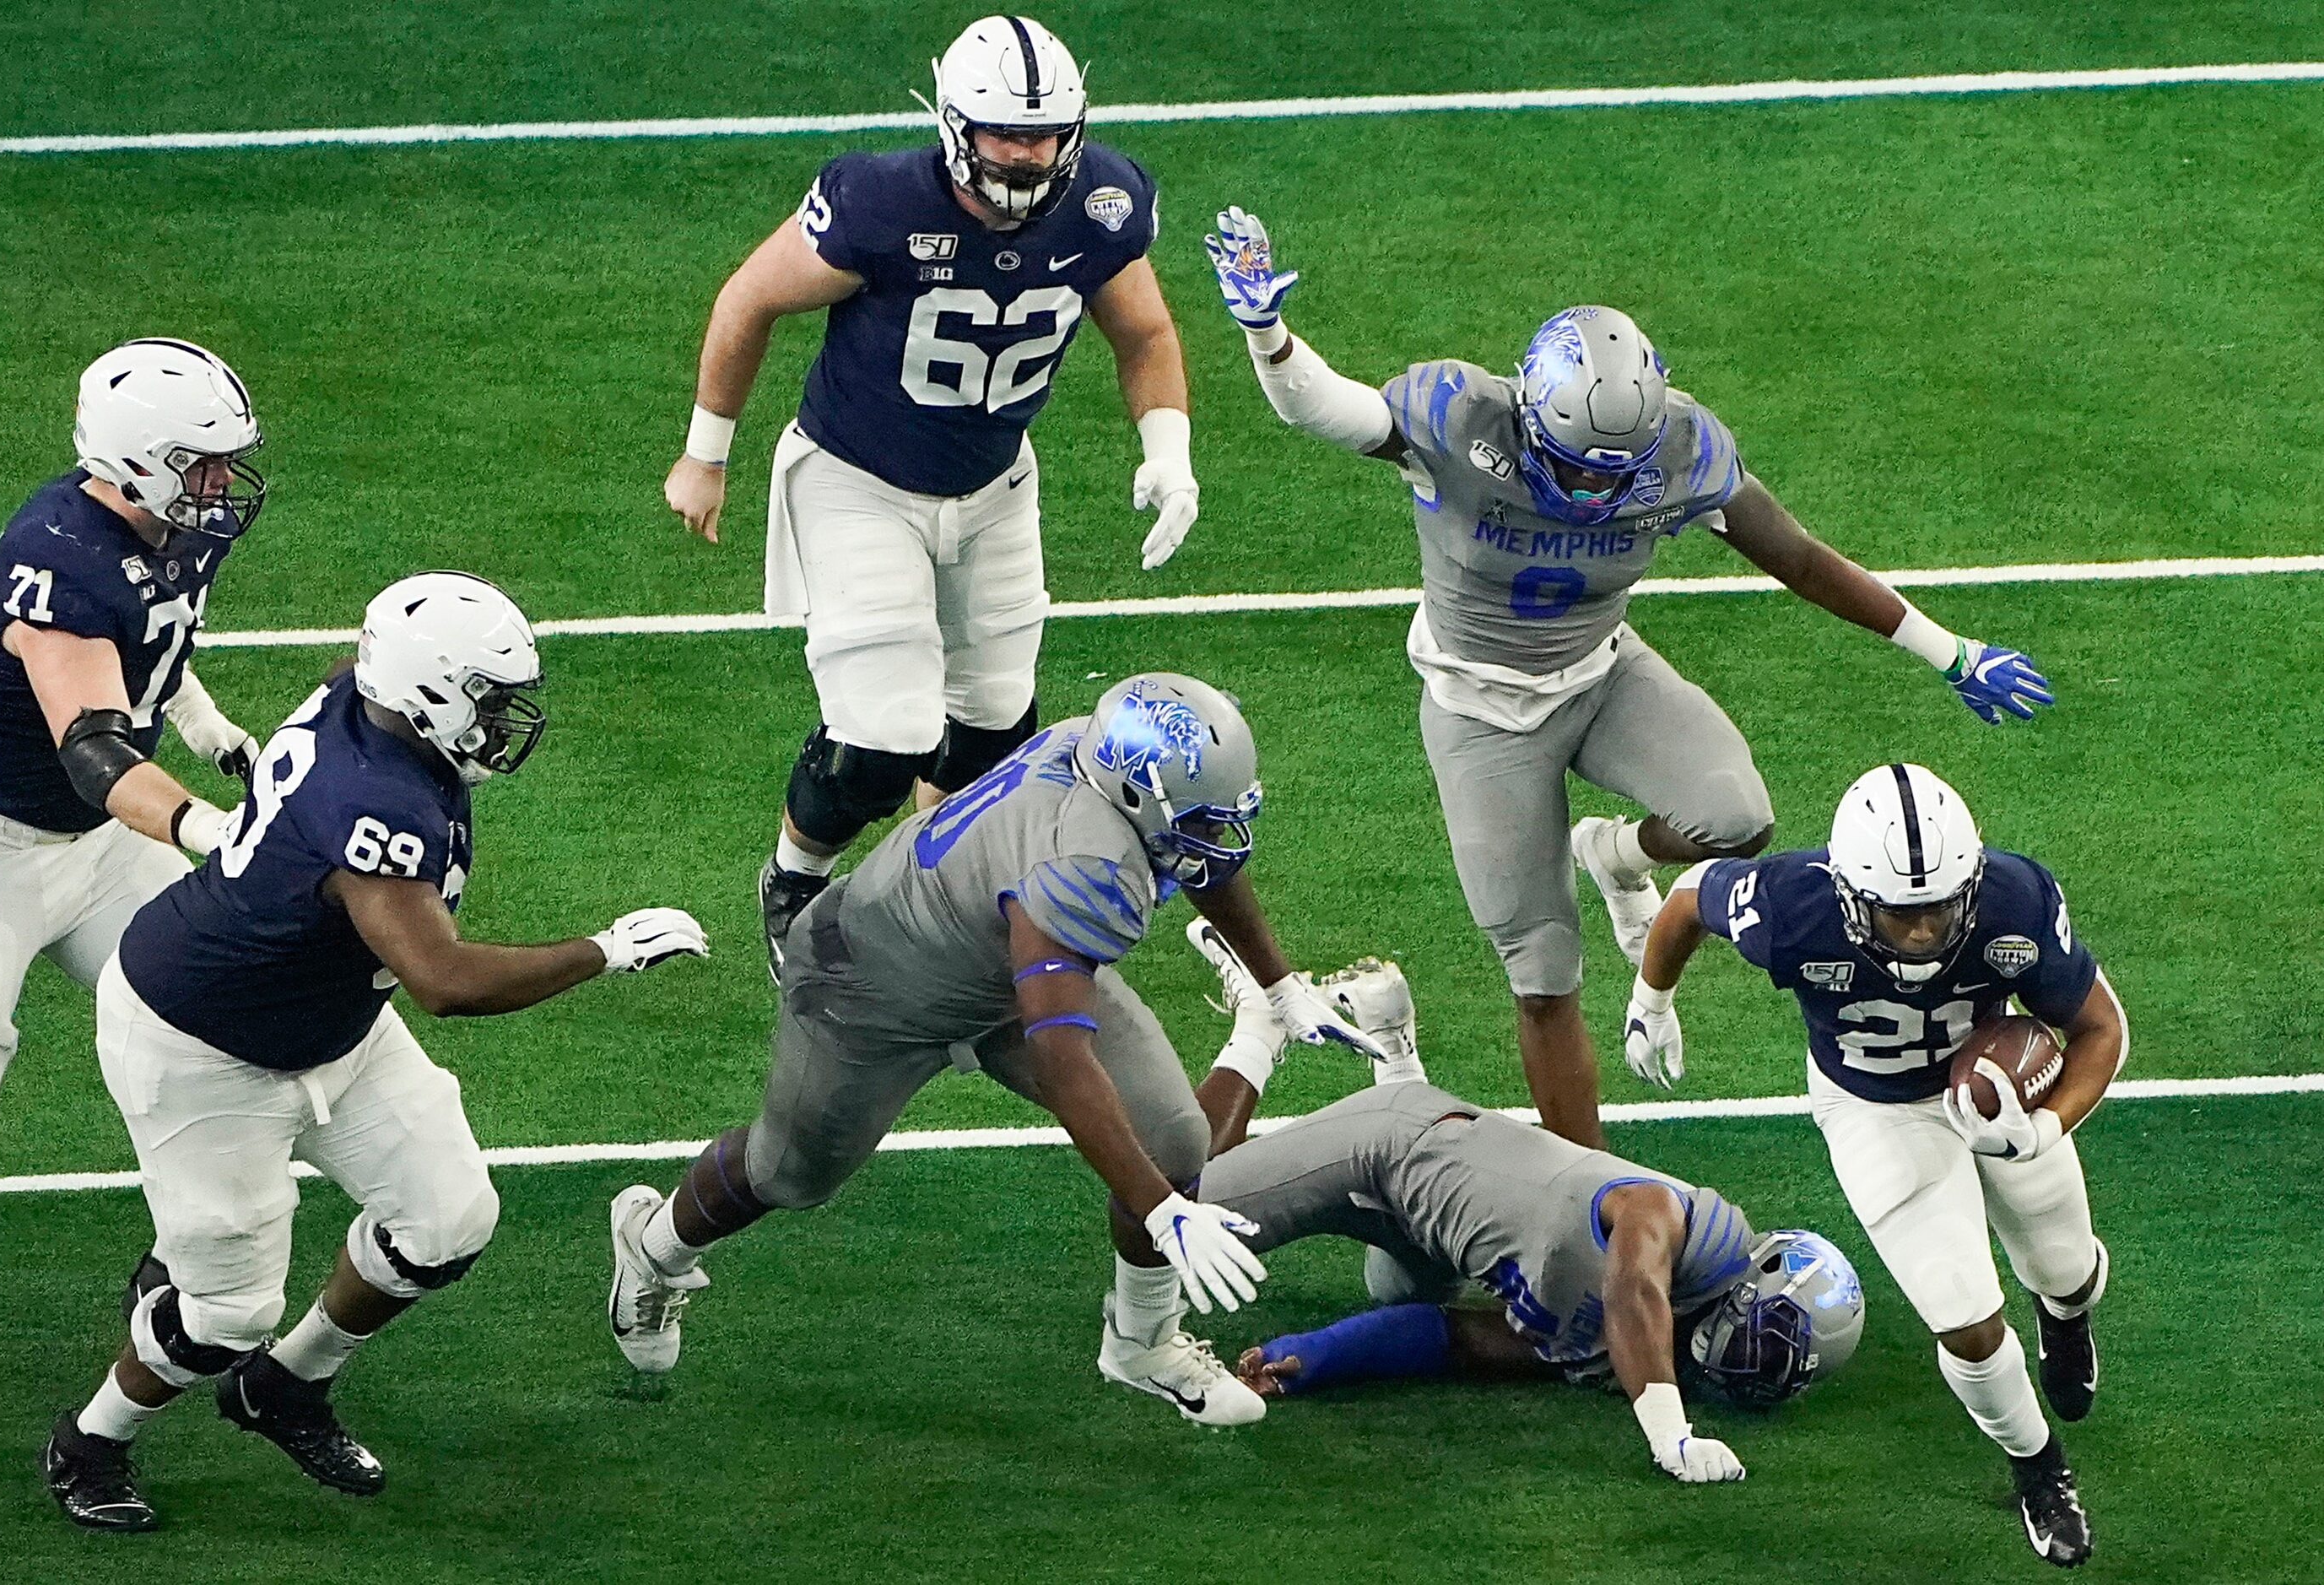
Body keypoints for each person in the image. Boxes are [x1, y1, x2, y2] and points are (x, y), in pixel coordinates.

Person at [1203, 206, 2053, 1150]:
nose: (1598, 494)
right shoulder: (1457, 418)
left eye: (1619, 475)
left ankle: (1618, 857)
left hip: (1603, 674)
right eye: (1578, 471)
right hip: (1479, 709)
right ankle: (1586, 1183)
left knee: (1736, 817)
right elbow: (1324, 407)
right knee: (1542, 972)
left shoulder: (1680, 446)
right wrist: (1266, 335)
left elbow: (1799, 559)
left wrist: (1947, 650)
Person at [40, 572, 707, 1532]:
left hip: (331, 1019)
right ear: (429, 690)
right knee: (226, 1316)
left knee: (448, 1222)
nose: (499, 724)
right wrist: (606, 949)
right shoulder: (376, 803)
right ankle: (89, 1441)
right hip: (203, 1044)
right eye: (486, 699)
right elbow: (444, 979)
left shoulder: (359, 689)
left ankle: (286, 1387)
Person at [607, 673, 1384, 1428]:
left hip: (995, 950)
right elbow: (1060, 1054)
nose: (1219, 835)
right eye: (1204, 817)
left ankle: (1141, 1344)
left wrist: (1277, 985)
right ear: (1140, 796)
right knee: (788, 1174)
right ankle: (653, 1245)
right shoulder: (1084, 863)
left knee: (1171, 1136)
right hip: (871, 982)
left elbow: (1202, 859)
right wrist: (1161, 1212)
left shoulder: (1101, 755)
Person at [660, 15, 1202, 979]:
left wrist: (1169, 451)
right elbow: (747, 298)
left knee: (997, 736)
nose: (1029, 155)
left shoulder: (1103, 202)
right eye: (1007, 133)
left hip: (995, 485)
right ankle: (794, 880)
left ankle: (938, 899)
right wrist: (706, 455)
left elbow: (1146, 333)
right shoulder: (875, 201)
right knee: (883, 737)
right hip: (857, 479)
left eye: (1044, 134)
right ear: (955, 125)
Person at [1626, 763, 2124, 1566]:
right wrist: (1650, 1000)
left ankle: (2065, 1318)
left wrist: (2040, 1129)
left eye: (1938, 908)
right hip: (1873, 1106)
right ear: (1851, 895)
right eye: (1901, 913)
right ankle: (2038, 1467)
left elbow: (2101, 1029)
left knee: (2062, 1265)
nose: (1924, 930)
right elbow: (1689, 900)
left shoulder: (2016, 899)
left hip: (1995, 1093)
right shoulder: (1791, 904)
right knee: (1962, 1317)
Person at [1185, 927, 1862, 1483]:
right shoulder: (1694, 1231)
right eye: (1770, 1339)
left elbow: (1459, 1342)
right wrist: (1669, 1435)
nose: (1757, 1364)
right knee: (1169, 1215)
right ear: (1754, 1283)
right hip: (1388, 1142)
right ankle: (1262, 1022)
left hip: (1426, 1224)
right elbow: (1630, 1285)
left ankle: (1394, 1053)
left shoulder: (1630, 1356)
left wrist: (1315, 1356)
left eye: (1781, 1363)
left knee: (1390, 1294)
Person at [0, 338, 267, 1176]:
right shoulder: (61, 555)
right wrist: (206, 827)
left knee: (227, 993)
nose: (220, 484)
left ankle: (205, 1247)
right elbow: (96, 754)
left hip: (96, 843)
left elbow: (151, 635)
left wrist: (204, 724)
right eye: (200, 465)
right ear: (137, 461)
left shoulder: (177, 529)